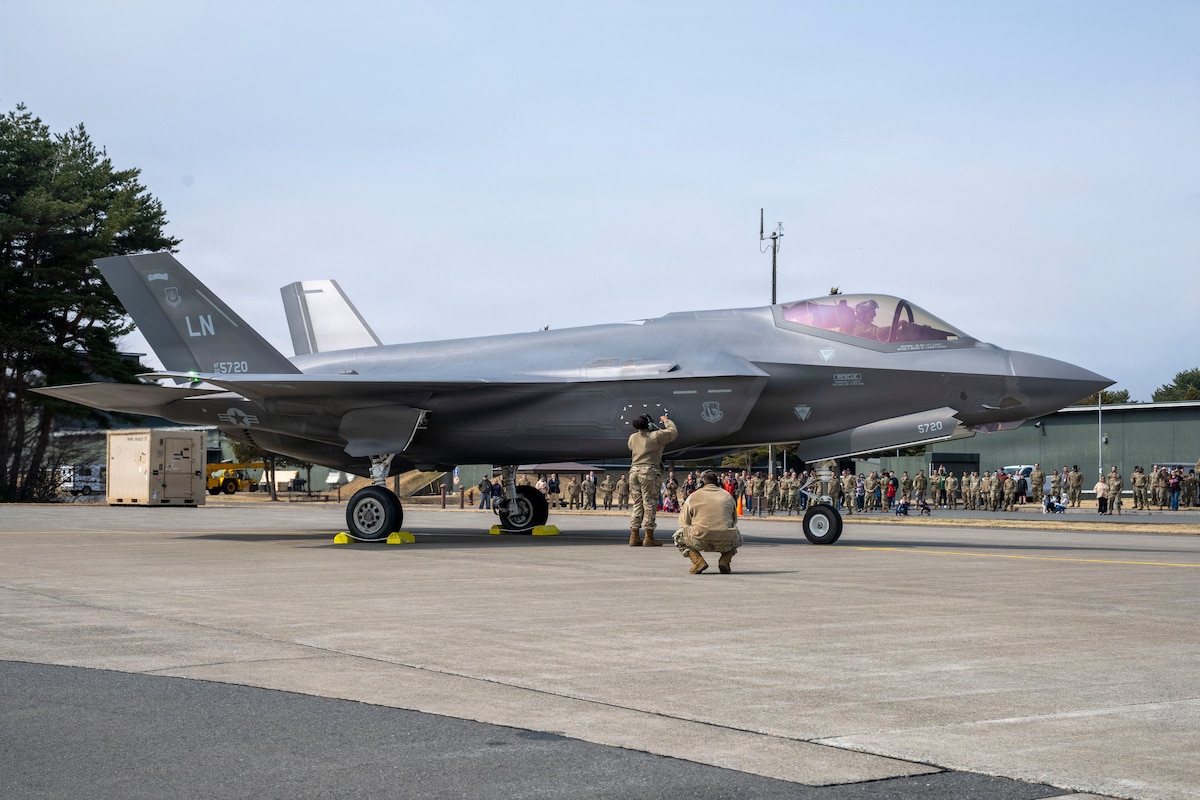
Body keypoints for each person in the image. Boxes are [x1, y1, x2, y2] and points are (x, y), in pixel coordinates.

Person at [672, 470, 742, 574]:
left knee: (678, 536)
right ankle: (725, 560)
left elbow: (683, 522)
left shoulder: (693, 496)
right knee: (736, 535)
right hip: (725, 540)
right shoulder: (728, 496)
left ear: (702, 482)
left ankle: (698, 561)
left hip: (700, 539)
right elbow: (734, 520)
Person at [627, 412, 678, 546]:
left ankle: (634, 536)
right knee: (649, 504)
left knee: (637, 504)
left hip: (634, 472)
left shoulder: (632, 437)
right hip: (649, 472)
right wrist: (666, 421)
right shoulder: (655, 436)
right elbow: (673, 432)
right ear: (649, 425)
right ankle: (649, 537)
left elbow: (631, 446)